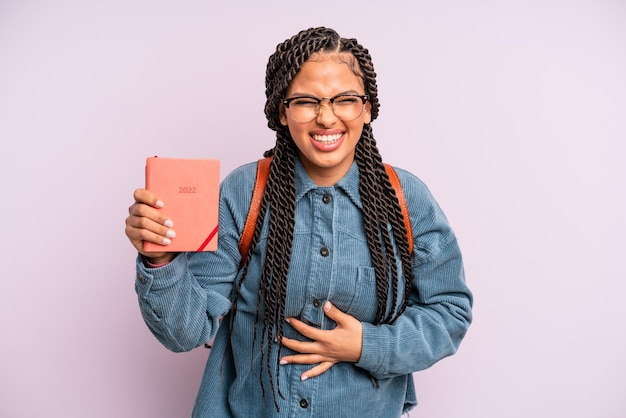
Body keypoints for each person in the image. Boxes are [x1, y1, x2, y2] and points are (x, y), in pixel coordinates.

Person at [125, 26, 473, 418]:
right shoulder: (243, 193)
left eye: (345, 99)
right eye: (307, 101)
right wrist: (161, 260)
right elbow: (184, 333)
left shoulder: (407, 199)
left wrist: (365, 345)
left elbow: (450, 312)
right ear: (282, 111)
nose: (326, 118)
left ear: (367, 108)